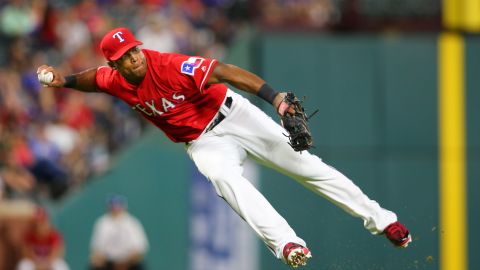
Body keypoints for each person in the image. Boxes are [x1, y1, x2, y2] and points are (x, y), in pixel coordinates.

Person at [37, 27, 411, 268]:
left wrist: (275, 98)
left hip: (234, 116)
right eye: (125, 57)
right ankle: (288, 246)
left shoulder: (168, 65)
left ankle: (385, 221)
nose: (134, 58)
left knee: (310, 169)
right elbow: (93, 80)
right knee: (223, 180)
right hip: (203, 143)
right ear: (115, 64)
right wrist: (64, 80)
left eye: (135, 50)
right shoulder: (114, 78)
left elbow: (225, 72)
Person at [89, 194, 148, 270]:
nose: (115, 209)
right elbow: (97, 251)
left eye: (118, 206)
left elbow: (139, 249)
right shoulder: (102, 223)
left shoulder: (132, 223)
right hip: (109, 263)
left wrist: (125, 263)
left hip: (129, 263)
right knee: (94, 264)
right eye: (113, 206)